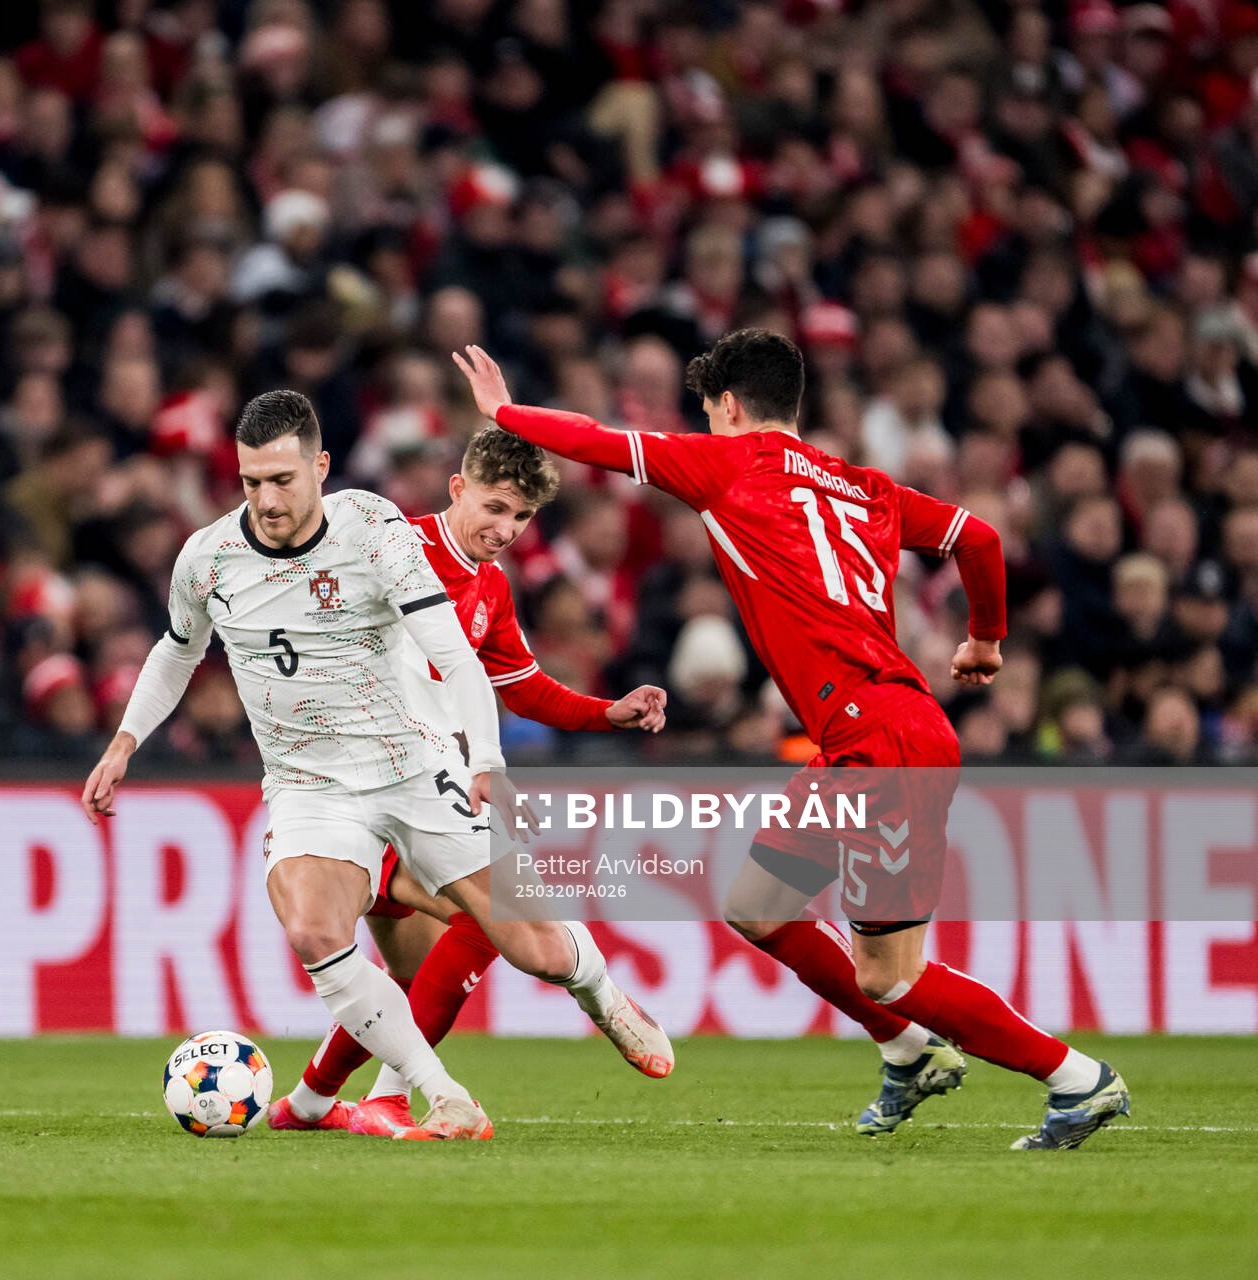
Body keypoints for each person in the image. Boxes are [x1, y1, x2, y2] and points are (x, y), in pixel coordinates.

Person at [458, 330, 1129, 1151]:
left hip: (882, 743)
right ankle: (906, 1050)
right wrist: (985, 638)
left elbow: (596, 441)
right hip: (872, 732)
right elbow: (978, 539)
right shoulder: (865, 486)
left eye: (709, 414)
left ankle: (1075, 1077)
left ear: (729, 407)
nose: (707, 427)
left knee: (893, 973)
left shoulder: (724, 465)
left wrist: (504, 413)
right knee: (760, 907)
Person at [81, 389, 675, 1142]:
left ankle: (600, 993)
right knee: (314, 932)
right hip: (309, 784)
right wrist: (125, 740)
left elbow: (458, 654)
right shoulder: (208, 557)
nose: (265, 499)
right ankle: (442, 1097)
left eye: (282, 481)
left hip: (410, 767)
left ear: (321, 467)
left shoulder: (373, 528)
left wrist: (486, 760)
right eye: (251, 481)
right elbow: (176, 650)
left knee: (540, 951)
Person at [272, 425, 670, 1137]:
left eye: (520, 517)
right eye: (495, 507)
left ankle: (337, 1102)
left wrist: (606, 713)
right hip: (354, 784)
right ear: (458, 489)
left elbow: (524, 688)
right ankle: (333, 1104)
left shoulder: (489, 587)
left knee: (474, 937)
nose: (505, 529)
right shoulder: (391, 552)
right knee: (416, 961)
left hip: (425, 792)